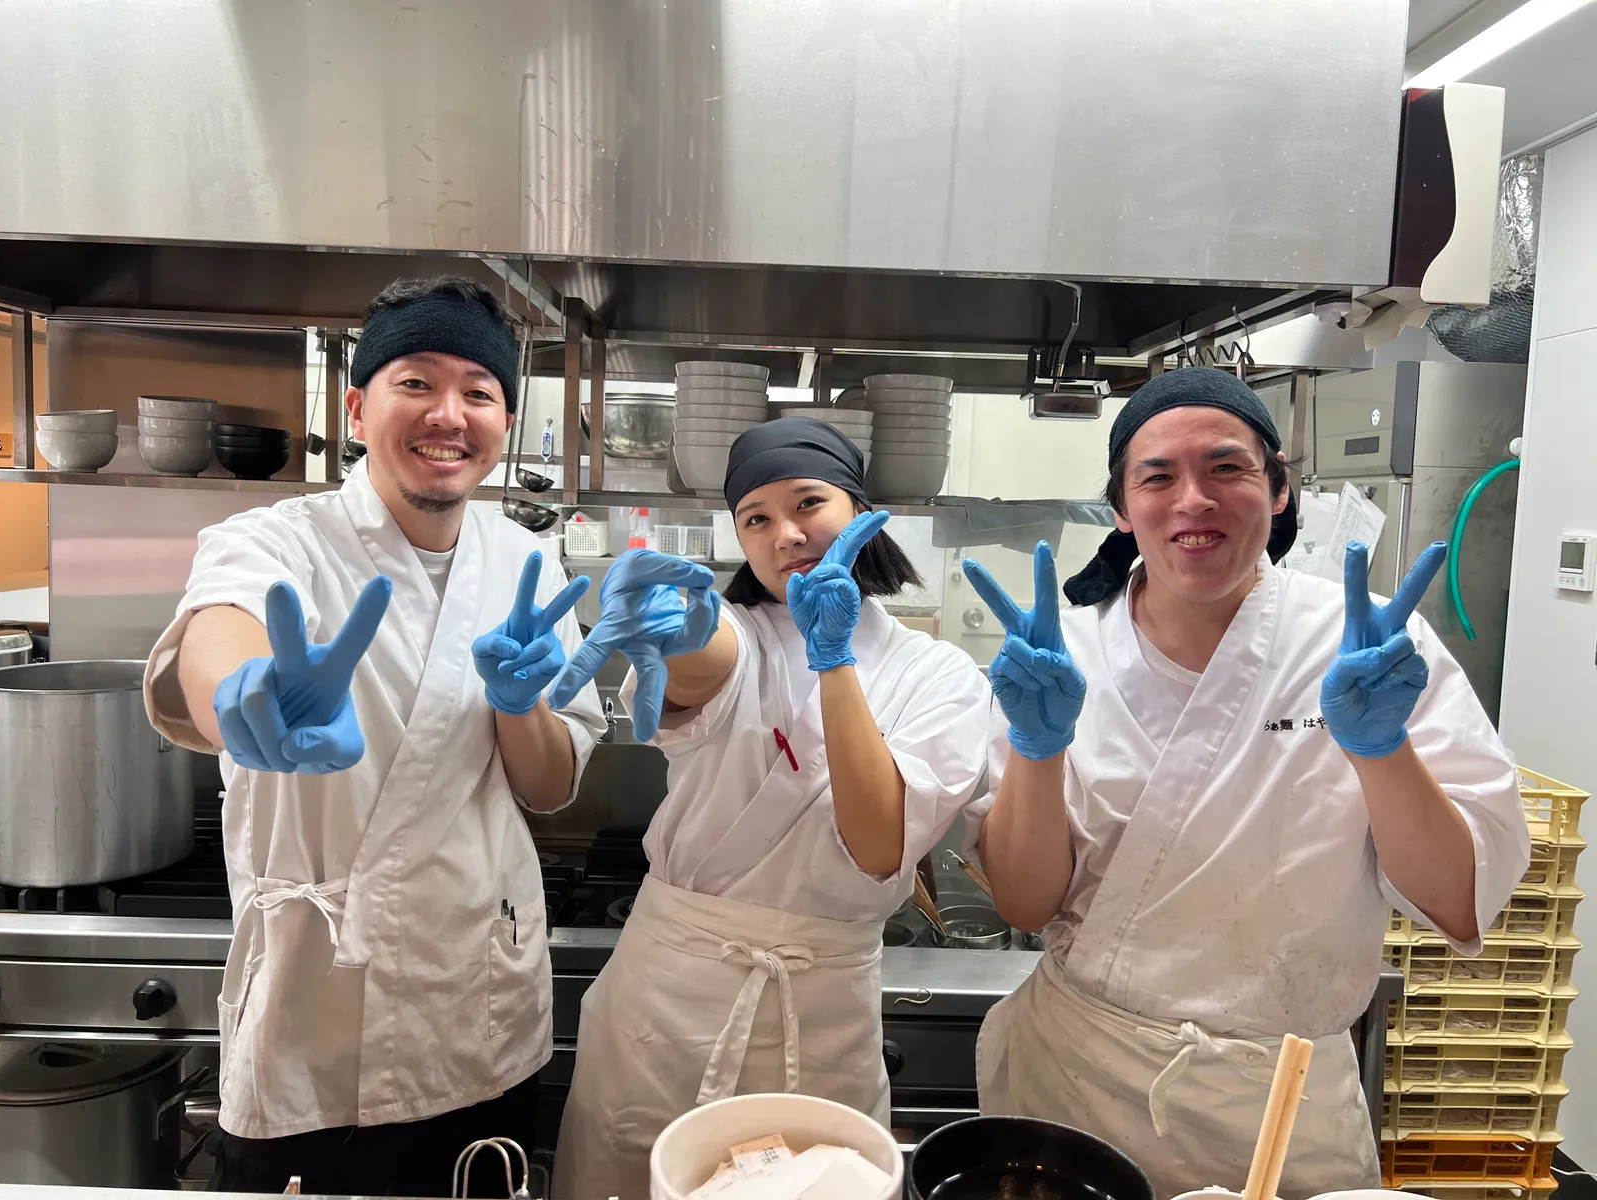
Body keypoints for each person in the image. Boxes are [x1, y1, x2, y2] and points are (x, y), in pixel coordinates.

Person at [961, 368, 1531, 1200]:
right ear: (1121, 508)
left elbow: (1459, 899)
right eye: (1157, 475)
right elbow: (1023, 903)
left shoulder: (1367, 644)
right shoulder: (1061, 656)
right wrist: (1038, 747)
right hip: (1080, 1089)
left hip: (1281, 1105)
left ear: (1280, 489)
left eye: (1227, 468)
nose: (1194, 498)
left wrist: (1380, 750)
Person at [141, 276, 606, 1196]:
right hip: (315, 1014)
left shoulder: (523, 561)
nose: (451, 414)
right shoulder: (276, 539)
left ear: (504, 422)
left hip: (472, 998)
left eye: (480, 391)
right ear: (357, 407)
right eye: (416, 383)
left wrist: (519, 704)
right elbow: (221, 626)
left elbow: (549, 789)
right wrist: (245, 691)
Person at [543, 416, 990, 1199]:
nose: (785, 534)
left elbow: (878, 843)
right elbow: (702, 656)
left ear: (857, 509)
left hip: (820, 1011)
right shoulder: (739, 633)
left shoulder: (942, 676)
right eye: (755, 518)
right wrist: (673, 623)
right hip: (668, 998)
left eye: (807, 503)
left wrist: (834, 657)